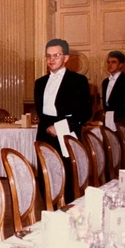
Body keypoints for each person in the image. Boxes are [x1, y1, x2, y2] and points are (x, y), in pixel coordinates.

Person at [34, 38, 92, 203]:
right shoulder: (40, 82)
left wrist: (60, 126)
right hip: (44, 134)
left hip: (67, 132)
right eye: (48, 56)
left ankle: (68, 212)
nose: (51, 59)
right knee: (46, 175)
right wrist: (47, 127)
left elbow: (86, 112)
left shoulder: (78, 81)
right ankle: (49, 210)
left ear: (66, 58)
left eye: (56, 55)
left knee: (68, 175)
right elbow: (41, 111)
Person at [102, 50, 125, 123]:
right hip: (107, 119)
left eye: (113, 62)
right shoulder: (105, 82)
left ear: (121, 64)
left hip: (122, 121)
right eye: (108, 62)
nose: (110, 65)